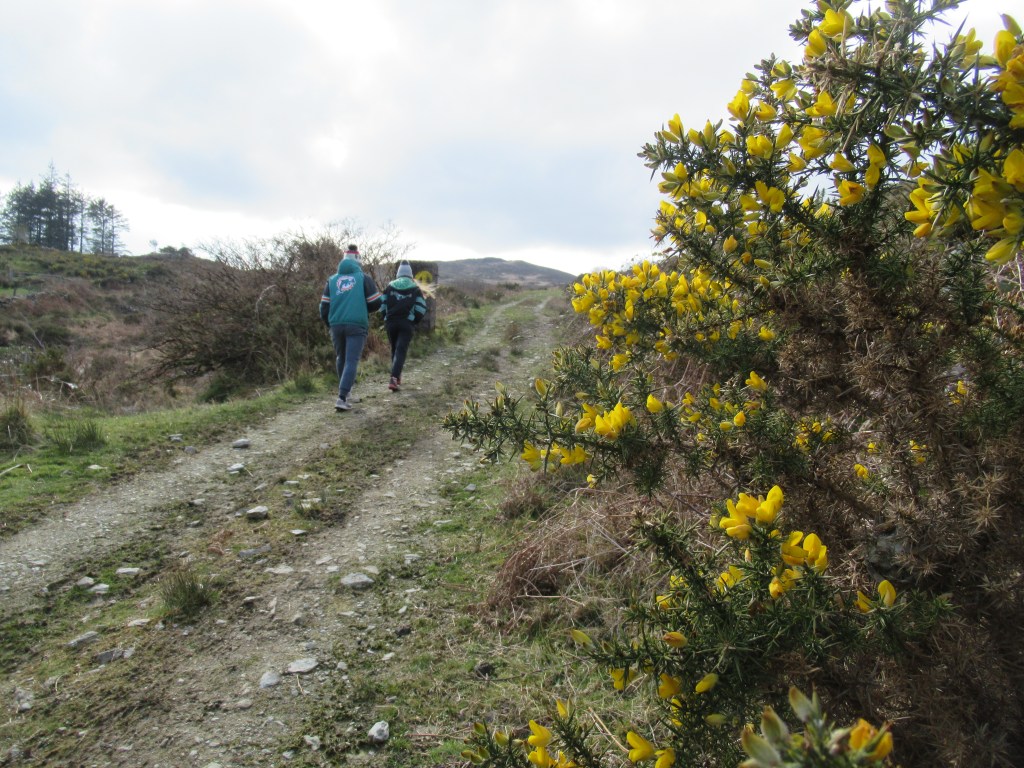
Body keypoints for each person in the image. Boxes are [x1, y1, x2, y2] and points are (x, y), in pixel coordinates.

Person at [319, 244, 382, 411]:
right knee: (351, 360)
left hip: (336, 325)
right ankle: (341, 397)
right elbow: (375, 303)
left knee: (341, 358)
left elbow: (323, 307)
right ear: (358, 261)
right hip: (356, 324)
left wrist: (330, 323)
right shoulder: (363, 278)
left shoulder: (331, 281)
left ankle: (345, 394)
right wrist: (363, 307)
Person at [379, 261, 428, 391]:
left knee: (395, 349)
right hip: (406, 323)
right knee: (401, 350)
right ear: (410, 274)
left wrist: (385, 317)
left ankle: (396, 376)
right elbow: (421, 308)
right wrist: (414, 321)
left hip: (391, 323)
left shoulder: (389, 286)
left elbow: (382, 304)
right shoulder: (415, 288)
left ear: (398, 274)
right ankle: (394, 378)